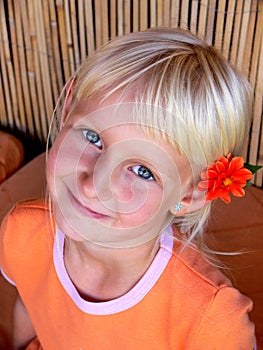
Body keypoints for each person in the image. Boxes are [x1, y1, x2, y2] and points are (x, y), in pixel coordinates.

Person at [0, 27, 257, 349]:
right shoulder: (23, 232)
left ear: (191, 193)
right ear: (67, 109)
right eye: (93, 138)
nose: (94, 185)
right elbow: (29, 307)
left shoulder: (212, 321)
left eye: (142, 171)